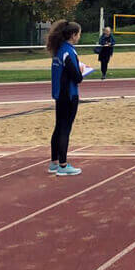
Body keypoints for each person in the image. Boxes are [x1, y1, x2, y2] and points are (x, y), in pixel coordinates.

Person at [48, 20, 84, 176]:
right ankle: (63, 165)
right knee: (65, 128)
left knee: (58, 126)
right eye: (79, 34)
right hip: (68, 95)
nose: (79, 37)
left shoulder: (59, 51)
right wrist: (82, 71)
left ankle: (54, 162)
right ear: (73, 35)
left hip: (59, 94)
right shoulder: (69, 52)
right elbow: (76, 77)